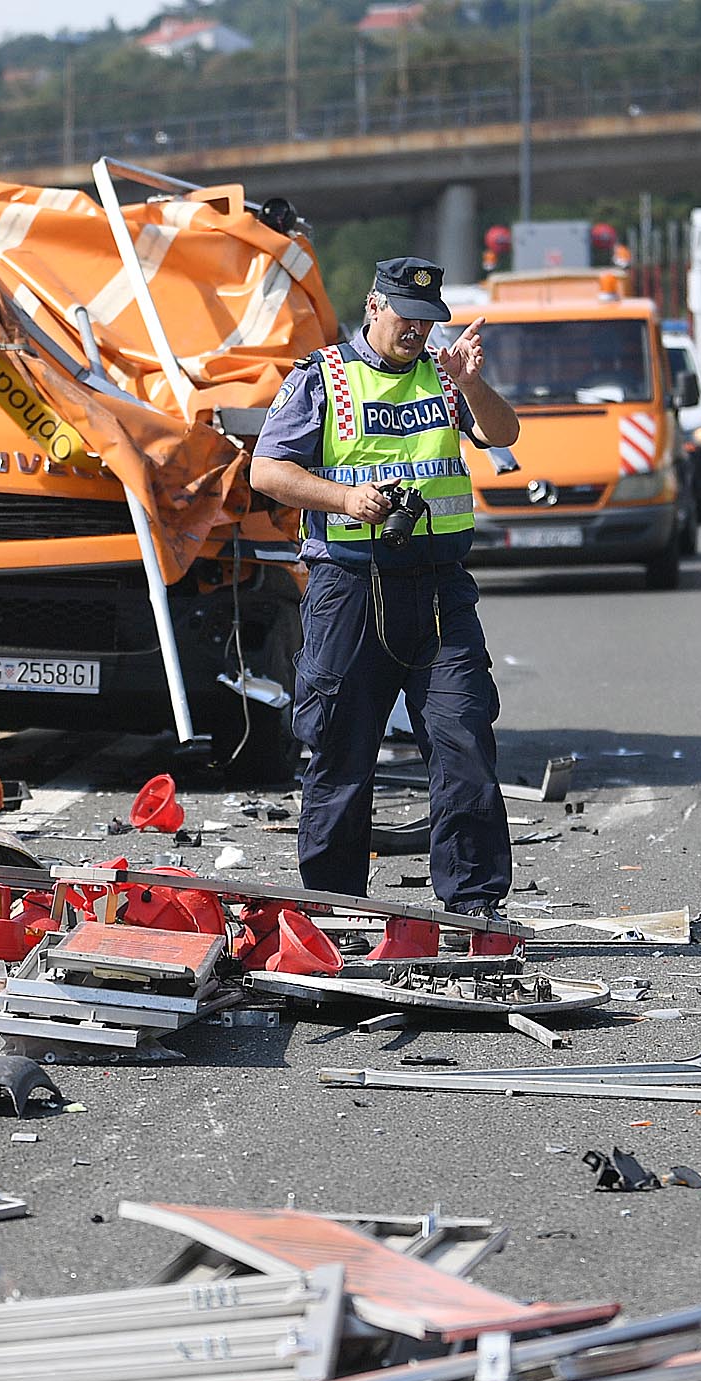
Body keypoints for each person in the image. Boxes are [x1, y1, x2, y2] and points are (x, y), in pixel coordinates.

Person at [249, 257, 521, 920]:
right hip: (349, 589)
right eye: (406, 316)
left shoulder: (443, 374)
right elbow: (265, 470)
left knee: (462, 740)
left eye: (428, 321)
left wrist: (470, 385)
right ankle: (335, 909)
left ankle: (473, 906)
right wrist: (344, 496)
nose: (417, 331)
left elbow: (503, 435)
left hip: (438, 592)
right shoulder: (323, 377)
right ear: (374, 305)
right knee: (341, 749)